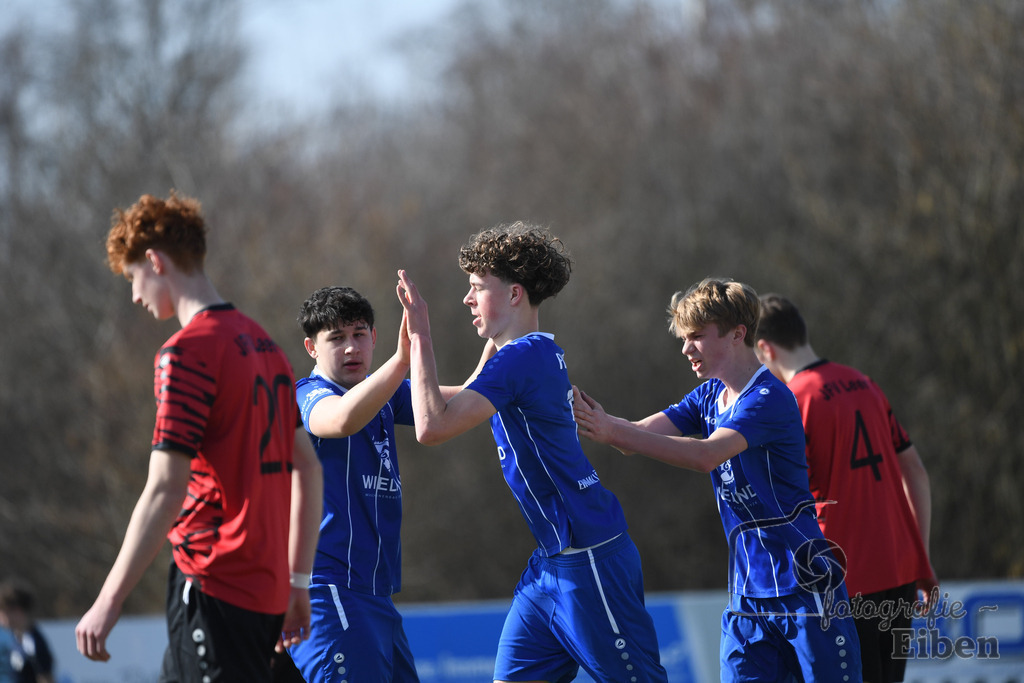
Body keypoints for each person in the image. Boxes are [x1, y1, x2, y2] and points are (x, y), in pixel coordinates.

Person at [396, 222, 668, 683]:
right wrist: (360, 398)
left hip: (589, 556)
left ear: (515, 294)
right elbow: (452, 401)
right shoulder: (514, 354)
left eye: (478, 288)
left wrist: (419, 338)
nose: (467, 299)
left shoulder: (520, 358)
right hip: (550, 564)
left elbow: (432, 426)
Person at [74, 191, 323, 682]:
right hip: (266, 591)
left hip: (214, 584)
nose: (134, 294)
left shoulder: (186, 353)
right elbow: (309, 468)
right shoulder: (267, 347)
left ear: (154, 261)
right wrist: (297, 581)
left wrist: (108, 599)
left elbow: (165, 489)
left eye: (132, 278)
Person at [573, 277, 862, 683]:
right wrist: (579, 412)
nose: (686, 348)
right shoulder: (709, 395)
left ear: (737, 335)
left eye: (696, 336)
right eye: (684, 338)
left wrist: (614, 431)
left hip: (807, 593)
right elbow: (636, 435)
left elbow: (705, 455)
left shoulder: (769, 398)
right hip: (746, 599)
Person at [754, 293, 936, 683]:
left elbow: (785, 501)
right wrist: (920, 558)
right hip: (900, 567)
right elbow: (916, 472)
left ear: (765, 349)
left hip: (842, 579)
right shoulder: (864, 383)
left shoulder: (792, 401)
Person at [286, 286, 437, 682]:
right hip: (328, 590)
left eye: (358, 334)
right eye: (335, 338)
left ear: (374, 337)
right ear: (311, 348)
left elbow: (445, 407)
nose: (351, 347)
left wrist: (499, 360)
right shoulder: (308, 394)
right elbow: (339, 420)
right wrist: (403, 359)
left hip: (375, 596)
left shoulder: (381, 392)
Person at [0, 579, 54, 683]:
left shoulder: (34, 643)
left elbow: (46, 678)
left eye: (3, 612)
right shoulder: (12, 636)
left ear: (17, 611)